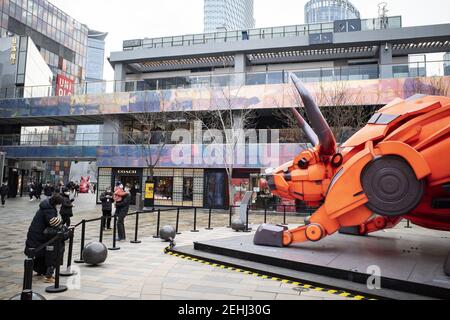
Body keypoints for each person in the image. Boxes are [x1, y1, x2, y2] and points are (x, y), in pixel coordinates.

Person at [24, 194, 68, 283]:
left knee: (40, 253)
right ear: (56, 203)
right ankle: (47, 275)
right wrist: (62, 222)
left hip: (36, 234)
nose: (59, 207)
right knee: (48, 252)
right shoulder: (49, 210)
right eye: (59, 204)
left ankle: (40, 270)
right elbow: (53, 222)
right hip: (39, 236)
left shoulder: (47, 206)